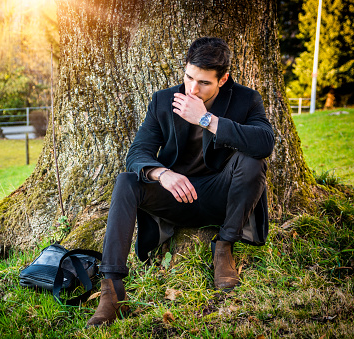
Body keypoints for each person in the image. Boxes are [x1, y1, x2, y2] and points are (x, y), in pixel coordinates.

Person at [86, 37, 275, 327]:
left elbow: (264, 143)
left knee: (252, 160)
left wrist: (206, 119)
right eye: (188, 77)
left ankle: (224, 247)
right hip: (175, 195)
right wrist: (162, 173)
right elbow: (137, 153)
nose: (192, 89)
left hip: (222, 197)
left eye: (203, 83)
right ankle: (112, 291)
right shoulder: (163, 100)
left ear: (223, 79)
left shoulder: (245, 99)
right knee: (126, 181)